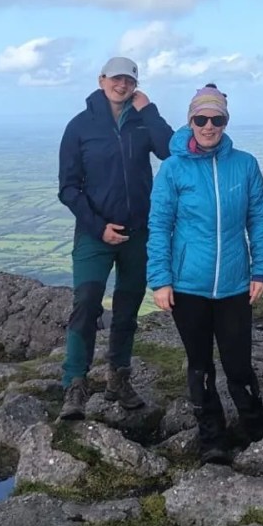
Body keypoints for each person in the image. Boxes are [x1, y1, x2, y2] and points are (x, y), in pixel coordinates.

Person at [147, 84, 263, 464]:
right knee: (200, 365)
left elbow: (259, 220)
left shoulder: (245, 164)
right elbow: (158, 225)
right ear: (190, 122)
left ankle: (256, 428)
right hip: (189, 285)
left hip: (235, 283)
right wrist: (161, 280)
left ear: (225, 122)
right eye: (201, 119)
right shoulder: (173, 169)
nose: (209, 125)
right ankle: (212, 439)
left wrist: (261, 270)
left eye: (216, 119)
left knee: (238, 365)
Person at [57, 56, 174, 420]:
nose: (121, 85)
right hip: (95, 233)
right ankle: (74, 385)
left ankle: (118, 378)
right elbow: (68, 188)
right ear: (101, 79)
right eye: (116, 79)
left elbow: (171, 151)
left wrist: (150, 110)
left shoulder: (142, 122)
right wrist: (98, 226)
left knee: (127, 310)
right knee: (87, 303)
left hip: (139, 232)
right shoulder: (79, 127)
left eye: (129, 81)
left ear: (136, 85)